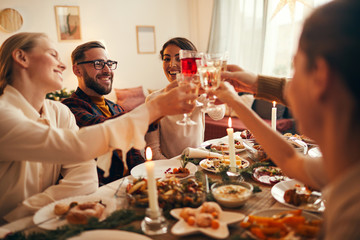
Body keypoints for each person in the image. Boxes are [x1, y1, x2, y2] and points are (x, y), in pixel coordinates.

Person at [0, 32, 197, 222]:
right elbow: (77, 146)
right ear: (21, 57)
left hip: (50, 220)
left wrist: (27, 213)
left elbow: (85, 177)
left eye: (108, 63)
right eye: (53, 54)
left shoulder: (60, 112)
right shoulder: (4, 115)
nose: (61, 65)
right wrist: (153, 108)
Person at [215, 0, 360, 239]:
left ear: (321, 76)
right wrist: (248, 92)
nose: (290, 87)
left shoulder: (351, 218)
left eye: (295, 69)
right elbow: (289, 158)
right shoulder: (346, 164)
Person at [146, 37, 252, 159]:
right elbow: (153, 151)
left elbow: (218, 115)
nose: (172, 64)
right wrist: (175, 170)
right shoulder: (154, 99)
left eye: (179, 59)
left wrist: (200, 93)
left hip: (199, 162)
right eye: (167, 59)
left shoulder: (200, 94)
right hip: (170, 170)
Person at [63, 41, 145, 185]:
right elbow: (104, 128)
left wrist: (145, 177)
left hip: (131, 187)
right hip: (100, 192)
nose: (108, 70)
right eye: (98, 64)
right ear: (77, 71)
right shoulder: (70, 108)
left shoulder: (117, 108)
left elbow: (134, 153)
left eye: (109, 63)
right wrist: (151, 109)